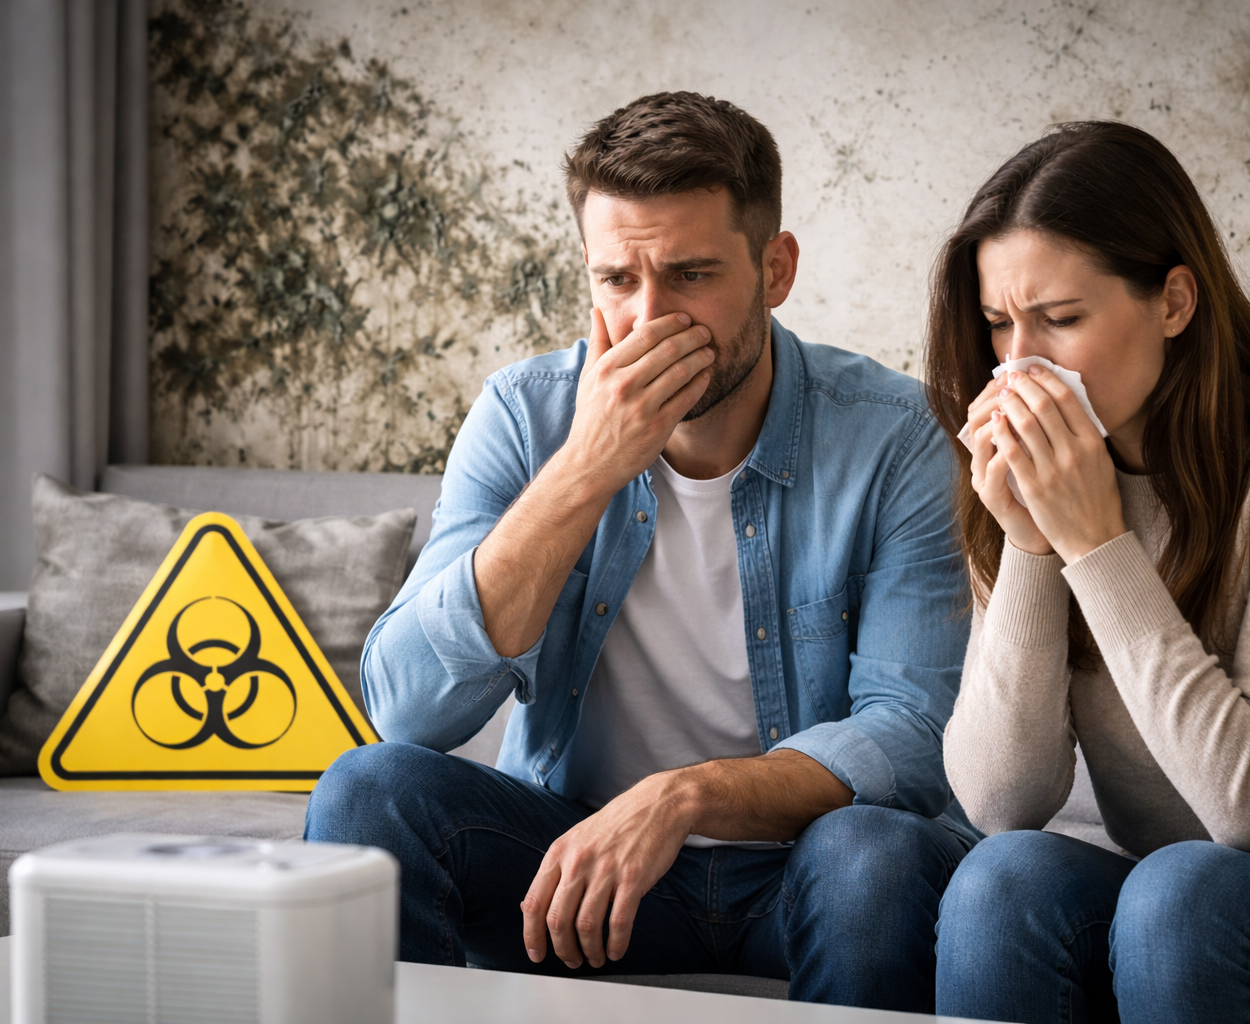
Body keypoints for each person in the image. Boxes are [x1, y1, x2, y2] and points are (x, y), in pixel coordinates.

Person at [304, 91, 976, 1012]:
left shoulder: (896, 435)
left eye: (692, 275)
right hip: (580, 878)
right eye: (617, 280)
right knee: (365, 792)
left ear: (774, 268)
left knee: (875, 849)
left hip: (806, 870)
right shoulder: (524, 415)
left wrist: (680, 799)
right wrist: (584, 470)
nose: (649, 319)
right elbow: (408, 710)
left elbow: (911, 733)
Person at [925, 119, 1250, 1023]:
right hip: (1182, 896)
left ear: (1173, 302)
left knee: (1187, 897)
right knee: (1002, 878)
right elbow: (1002, 799)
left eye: (1061, 320)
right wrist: (1030, 544)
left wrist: (1097, 546)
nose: (1020, 367)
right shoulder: (1041, 475)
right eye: (1000, 324)